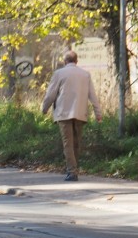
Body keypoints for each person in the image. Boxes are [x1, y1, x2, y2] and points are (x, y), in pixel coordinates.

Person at [41, 50, 102, 181]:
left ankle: (72, 172)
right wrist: (98, 113)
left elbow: (51, 93)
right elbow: (92, 95)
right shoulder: (85, 75)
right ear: (76, 61)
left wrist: (44, 108)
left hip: (64, 113)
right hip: (80, 113)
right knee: (76, 144)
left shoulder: (59, 74)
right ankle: (74, 169)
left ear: (65, 61)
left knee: (68, 144)